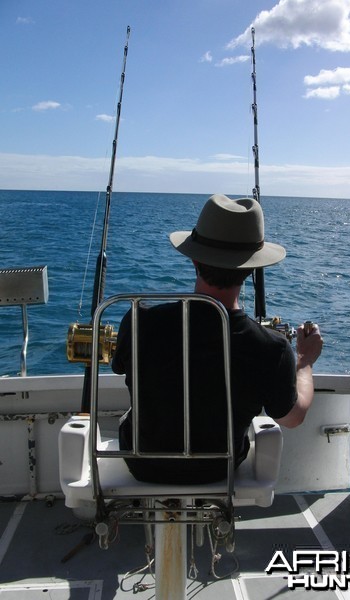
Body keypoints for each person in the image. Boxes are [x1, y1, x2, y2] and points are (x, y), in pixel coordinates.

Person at [112, 193, 323, 484]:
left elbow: (120, 368)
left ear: (194, 259)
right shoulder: (272, 348)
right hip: (217, 471)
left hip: (142, 464)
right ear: (252, 269)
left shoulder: (139, 321)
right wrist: (305, 363)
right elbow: (293, 418)